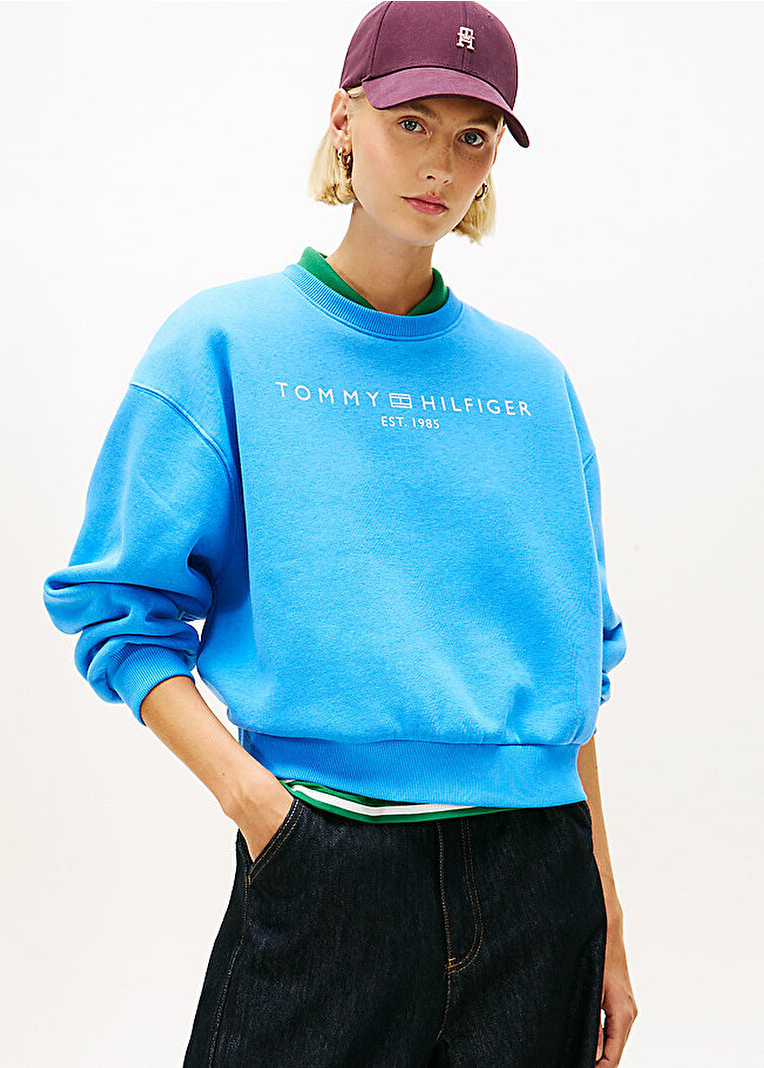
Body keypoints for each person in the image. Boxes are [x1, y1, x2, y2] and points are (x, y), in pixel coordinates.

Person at [42, 2, 638, 1064]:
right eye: (411, 122)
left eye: (473, 137)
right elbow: (119, 612)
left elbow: (572, 673)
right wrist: (263, 812)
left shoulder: (534, 384)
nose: (440, 164)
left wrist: (608, 917)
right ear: (343, 119)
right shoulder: (225, 344)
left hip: (538, 889)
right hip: (328, 857)